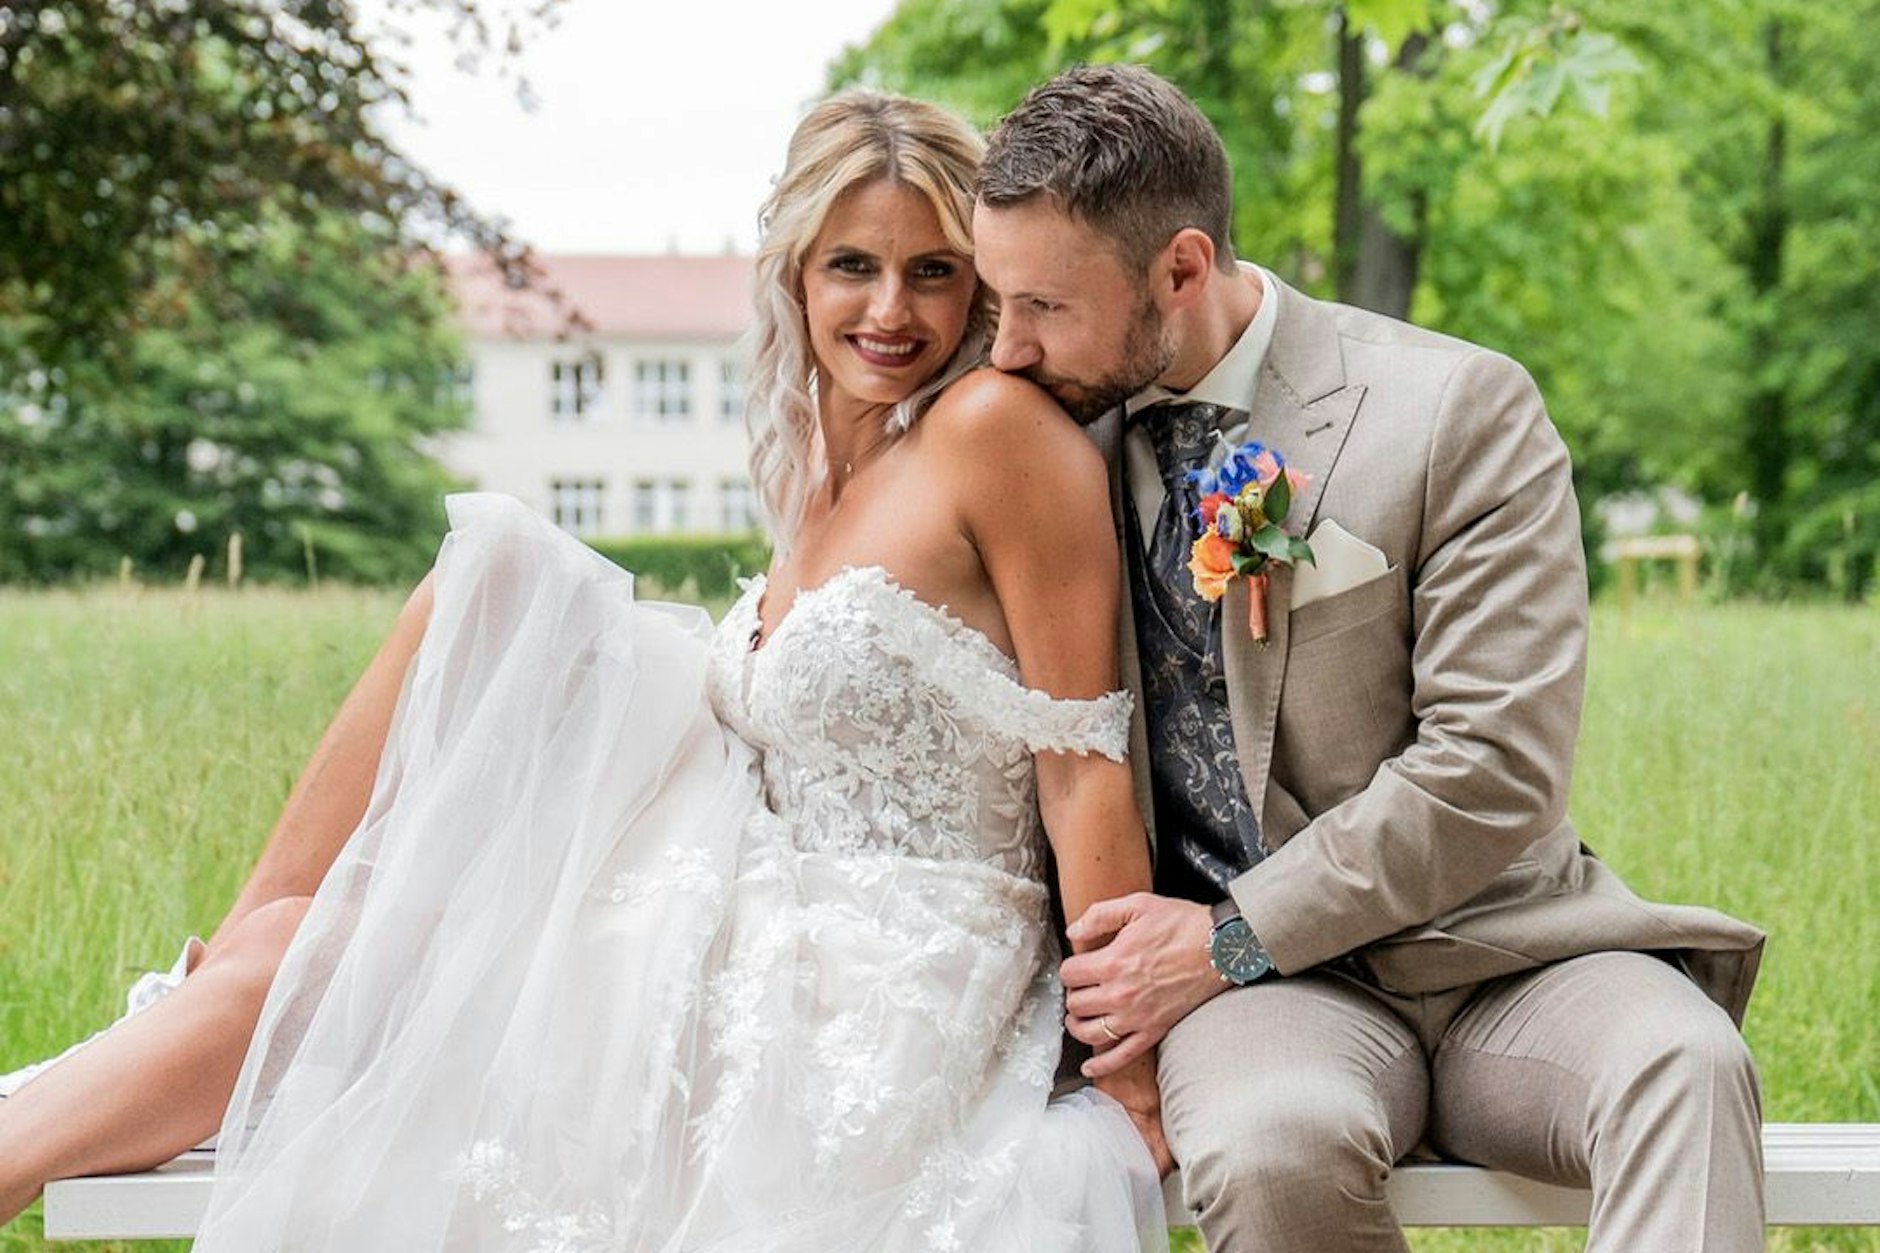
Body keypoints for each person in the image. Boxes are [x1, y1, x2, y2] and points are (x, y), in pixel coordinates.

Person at [0, 90, 1170, 1250]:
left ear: (977, 282)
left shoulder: (994, 433)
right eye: (850, 265)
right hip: (757, 903)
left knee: (324, 958)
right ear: (795, 273)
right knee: (478, 601)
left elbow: (1083, 767)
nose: (888, 309)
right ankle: (187, 994)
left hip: (875, 983)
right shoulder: (826, 461)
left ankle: (90, 1087)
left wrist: (1128, 1071)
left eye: (931, 271)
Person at [966, 63, 1769, 1253]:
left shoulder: (1455, 410)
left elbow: (1491, 765)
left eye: (1042, 304)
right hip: (1267, 1005)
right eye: (996, 299)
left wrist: (1230, 929)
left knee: (1684, 1065)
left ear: (1179, 269)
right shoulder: (1035, 442)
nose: (1006, 347)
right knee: (1270, 1144)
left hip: (1505, 952)